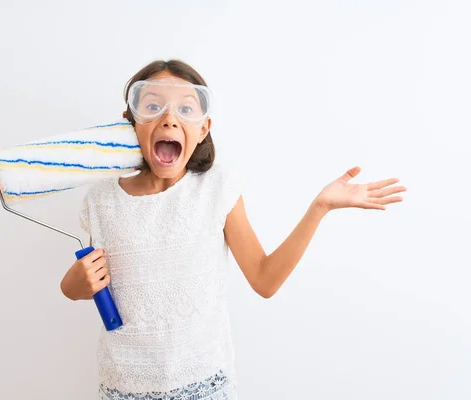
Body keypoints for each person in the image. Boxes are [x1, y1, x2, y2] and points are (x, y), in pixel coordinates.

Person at [59, 59, 406, 399]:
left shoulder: (216, 189)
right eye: (153, 106)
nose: (169, 118)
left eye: (185, 109)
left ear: (203, 128)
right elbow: (93, 283)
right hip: (124, 387)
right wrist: (72, 286)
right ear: (130, 122)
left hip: (205, 385)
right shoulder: (102, 201)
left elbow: (264, 280)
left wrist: (320, 208)